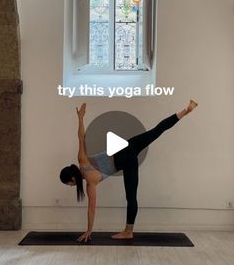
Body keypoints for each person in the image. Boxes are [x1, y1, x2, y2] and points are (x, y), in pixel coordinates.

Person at [60, 100, 198, 243]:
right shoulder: (82, 160)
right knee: (157, 130)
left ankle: (128, 231)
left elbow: (91, 209)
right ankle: (185, 111)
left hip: (126, 161)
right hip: (127, 147)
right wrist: (80, 118)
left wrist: (89, 230)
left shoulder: (90, 183)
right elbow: (81, 137)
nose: (70, 186)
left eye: (68, 184)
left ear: (72, 180)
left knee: (131, 197)